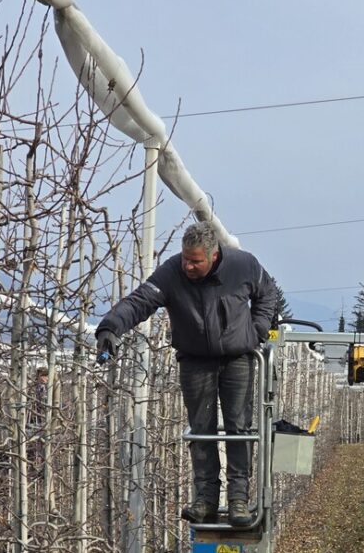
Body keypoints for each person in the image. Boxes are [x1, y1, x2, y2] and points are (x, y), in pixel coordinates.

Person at [95, 221, 276, 526]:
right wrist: (111, 327)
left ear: (214, 256)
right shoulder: (171, 273)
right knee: (200, 430)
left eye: (196, 261)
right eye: (185, 259)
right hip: (194, 360)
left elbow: (267, 292)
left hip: (238, 359)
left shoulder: (243, 265)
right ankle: (205, 499)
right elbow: (140, 301)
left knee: (239, 428)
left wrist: (256, 329)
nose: (188, 266)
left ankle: (238, 500)